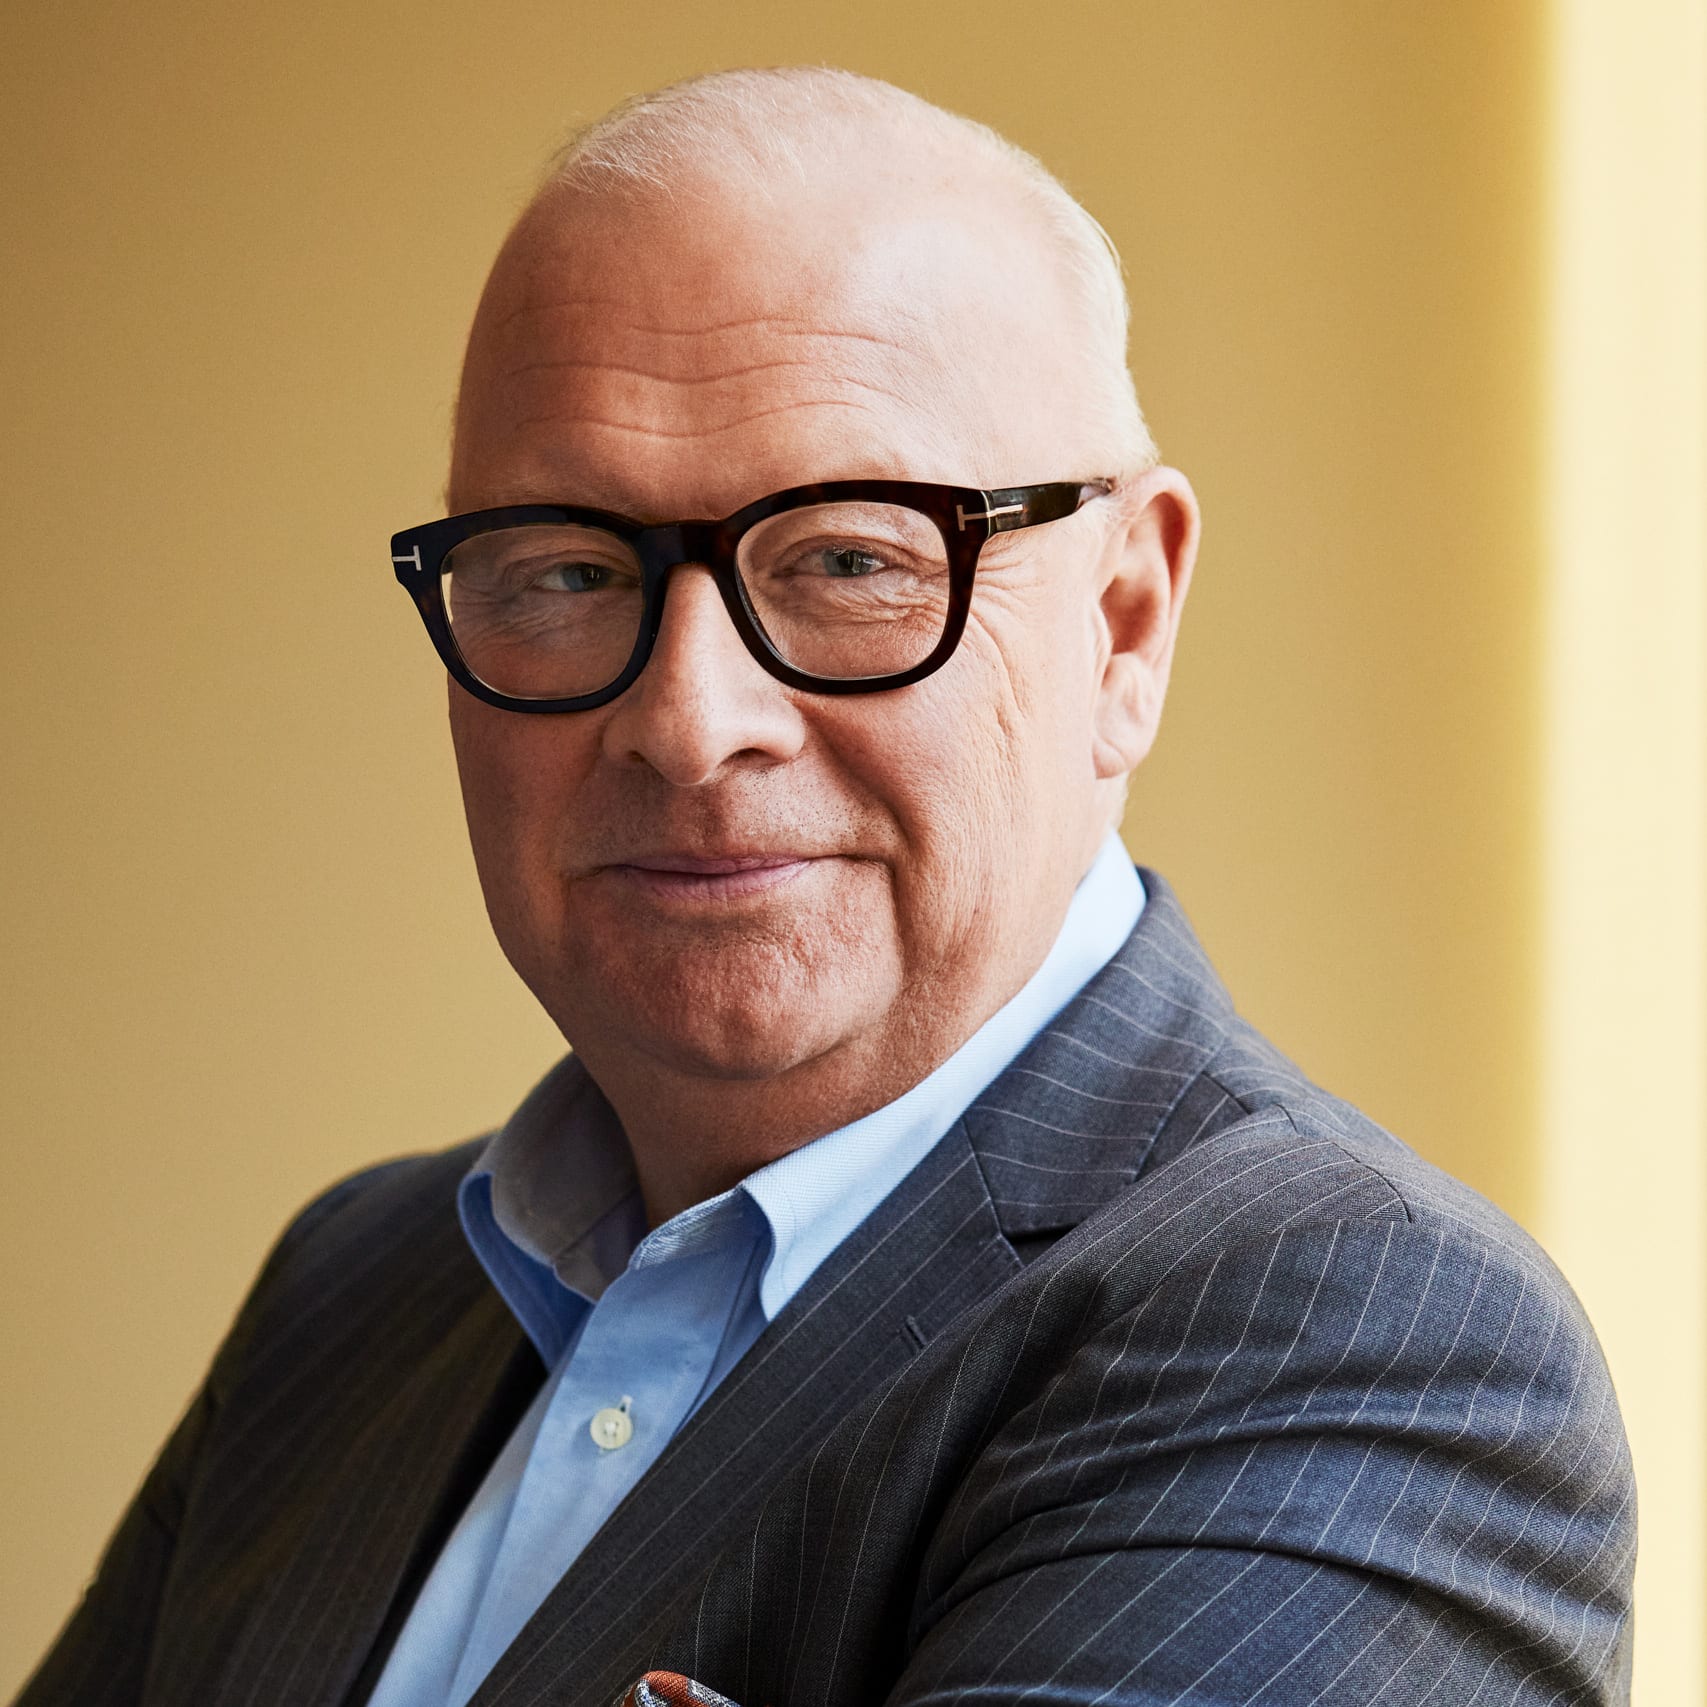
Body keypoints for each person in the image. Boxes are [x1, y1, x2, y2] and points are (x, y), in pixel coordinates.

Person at [18, 67, 1634, 1707]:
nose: (689, 722)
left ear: (1123, 624)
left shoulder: (1355, 1342)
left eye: (852, 559)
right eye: (569, 572)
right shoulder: (349, 1295)